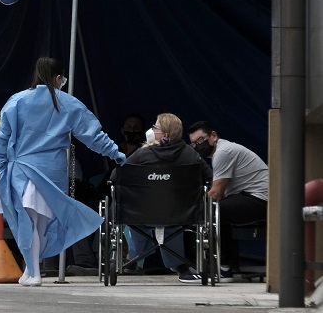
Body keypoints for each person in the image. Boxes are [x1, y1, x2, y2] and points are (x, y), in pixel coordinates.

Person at [0, 57, 127, 287]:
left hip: (23, 171)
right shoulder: (69, 103)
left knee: (28, 221)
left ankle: (34, 271)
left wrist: (0, 163)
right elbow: (93, 135)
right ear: (58, 78)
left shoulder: (17, 101)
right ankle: (31, 267)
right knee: (43, 223)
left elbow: (2, 136)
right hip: (53, 171)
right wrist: (116, 153)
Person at [110, 113, 213, 284]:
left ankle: (132, 261)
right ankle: (181, 267)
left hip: (141, 213)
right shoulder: (191, 155)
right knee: (170, 223)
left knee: (137, 221)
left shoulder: (143, 154)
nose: (152, 129)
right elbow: (209, 179)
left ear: (164, 134)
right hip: (180, 213)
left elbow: (116, 176)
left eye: (155, 127)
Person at [188, 121, 269, 283]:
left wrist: (190, 208)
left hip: (261, 199)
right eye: (194, 143)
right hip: (255, 197)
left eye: (201, 140)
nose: (198, 145)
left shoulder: (223, 152)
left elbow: (217, 193)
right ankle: (228, 265)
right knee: (217, 210)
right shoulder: (223, 150)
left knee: (210, 210)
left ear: (213, 136)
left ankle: (222, 268)